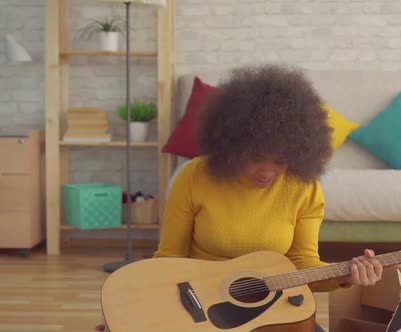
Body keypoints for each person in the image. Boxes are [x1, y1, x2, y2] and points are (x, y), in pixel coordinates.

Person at [96, 64, 382, 332]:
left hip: (266, 312)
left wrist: (345, 275)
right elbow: (169, 257)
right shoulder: (194, 177)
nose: (268, 171)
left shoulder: (303, 187)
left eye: (281, 161)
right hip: (198, 309)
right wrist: (141, 312)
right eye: (257, 157)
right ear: (233, 146)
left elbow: (302, 264)